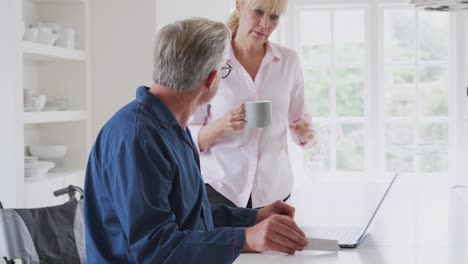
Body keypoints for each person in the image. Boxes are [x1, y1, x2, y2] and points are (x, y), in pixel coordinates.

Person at [84, 18, 307, 264]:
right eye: (225, 70)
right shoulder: (138, 137)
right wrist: (245, 238)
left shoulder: (171, 127)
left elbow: (190, 214)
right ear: (211, 79)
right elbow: (154, 248)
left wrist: (252, 218)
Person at [188, 0, 315, 209]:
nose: (265, 24)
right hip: (219, 191)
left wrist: (304, 134)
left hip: (274, 193)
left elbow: (299, 120)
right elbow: (187, 138)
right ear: (238, 6)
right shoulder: (210, 60)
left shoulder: (288, 61)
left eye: (274, 17)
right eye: (258, 12)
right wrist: (223, 125)